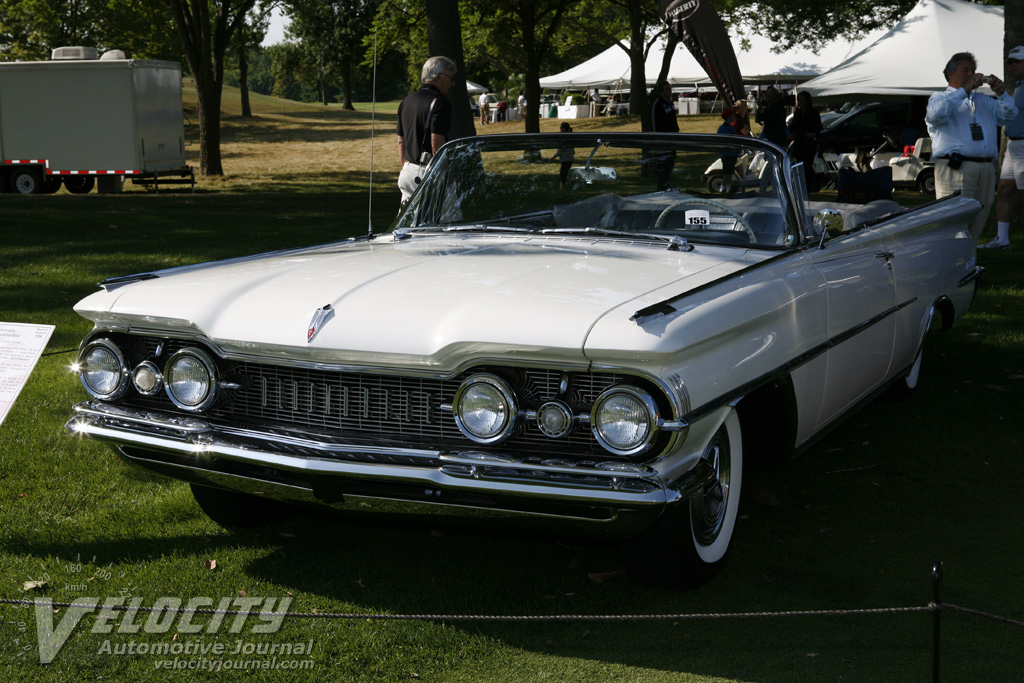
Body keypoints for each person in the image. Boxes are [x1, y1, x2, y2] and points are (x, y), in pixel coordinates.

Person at [926, 51, 1017, 243]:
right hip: (956, 168)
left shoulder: (983, 100)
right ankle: (950, 257)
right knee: (953, 220)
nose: (971, 74)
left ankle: (968, 256)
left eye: (973, 70)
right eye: (965, 70)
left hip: (986, 167)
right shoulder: (940, 98)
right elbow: (936, 115)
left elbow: (1009, 115)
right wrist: (963, 91)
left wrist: (1002, 93)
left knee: (979, 219)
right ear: (950, 73)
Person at [396, 56, 455, 204]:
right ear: (438, 77)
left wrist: (405, 168)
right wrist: (447, 175)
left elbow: (401, 142)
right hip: (427, 173)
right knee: (448, 217)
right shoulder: (440, 102)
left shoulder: (406, 101)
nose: (452, 83)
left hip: (407, 172)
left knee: (409, 219)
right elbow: (436, 144)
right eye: (451, 78)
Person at [987, 45, 1024, 250]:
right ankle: (1002, 240)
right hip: (1013, 146)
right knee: (1003, 190)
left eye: (1017, 61)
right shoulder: (1019, 85)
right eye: (1010, 62)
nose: (1012, 65)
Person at [789, 91, 823, 191]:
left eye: (802, 100)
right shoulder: (798, 112)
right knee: (799, 165)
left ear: (807, 100)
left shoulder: (813, 112)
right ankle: (800, 186)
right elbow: (793, 127)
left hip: (808, 143)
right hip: (798, 142)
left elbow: (819, 128)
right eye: (799, 100)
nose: (800, 102)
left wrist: (813, 134)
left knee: (807, 166)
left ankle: (808, 187)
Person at [650, 79, 679, 191]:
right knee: (663, 166)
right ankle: (661, 188)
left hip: (672, 139)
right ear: (661, 91)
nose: (669, 91)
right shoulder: (657, 104)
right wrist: (658, 143)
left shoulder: (670, 103)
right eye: (667, 89)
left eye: (670, 89)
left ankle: (666, 186)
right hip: (662, 140)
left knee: (670, 164)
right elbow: (654, 124)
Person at [555, 122, 575, 189]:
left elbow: (560, 151)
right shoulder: (570, 137)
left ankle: (562, 186)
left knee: (563, 172)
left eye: (561, 127)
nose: (560, 129)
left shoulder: (563, 138)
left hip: (565, 159)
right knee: (567, 172)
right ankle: (568, 184)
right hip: (569, 158)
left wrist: (553, 157)